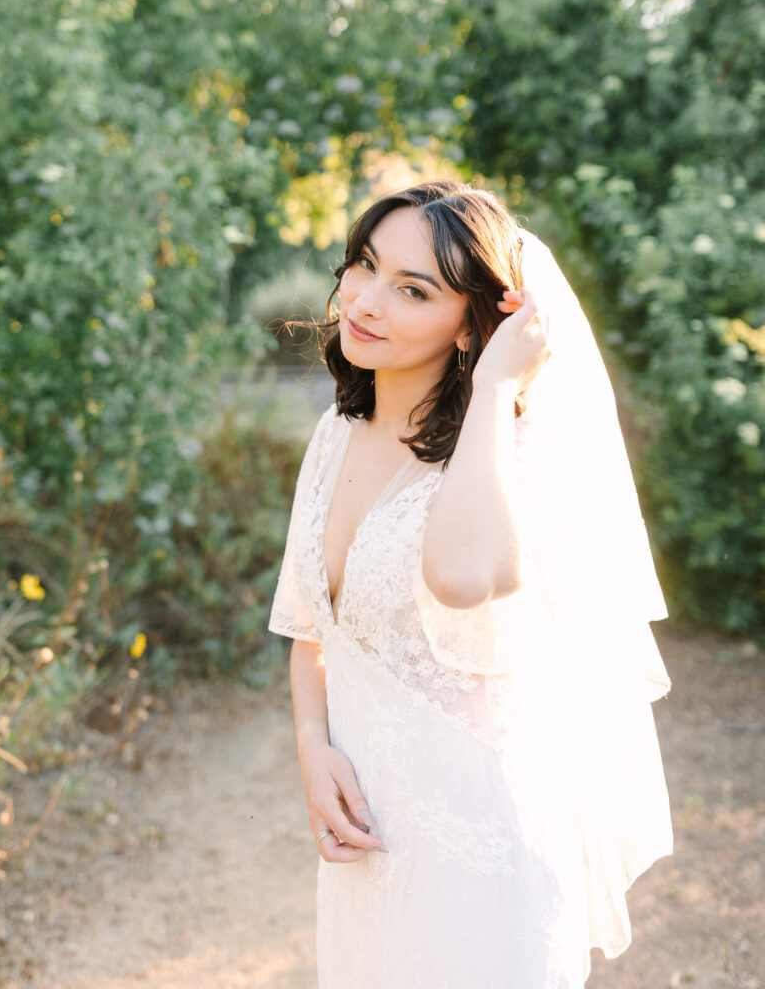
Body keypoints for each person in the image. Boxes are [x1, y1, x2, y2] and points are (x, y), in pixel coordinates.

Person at [268, 180, 673, 987]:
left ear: (471, 327)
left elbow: (462, 577)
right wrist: (313, 748)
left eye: (413, 289)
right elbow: (314, 630)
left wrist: (495, 387)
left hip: (482, 856)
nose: (366, 302)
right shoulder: (336, 431)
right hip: (364, 846)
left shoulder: (508, 453)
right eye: (366, 266)